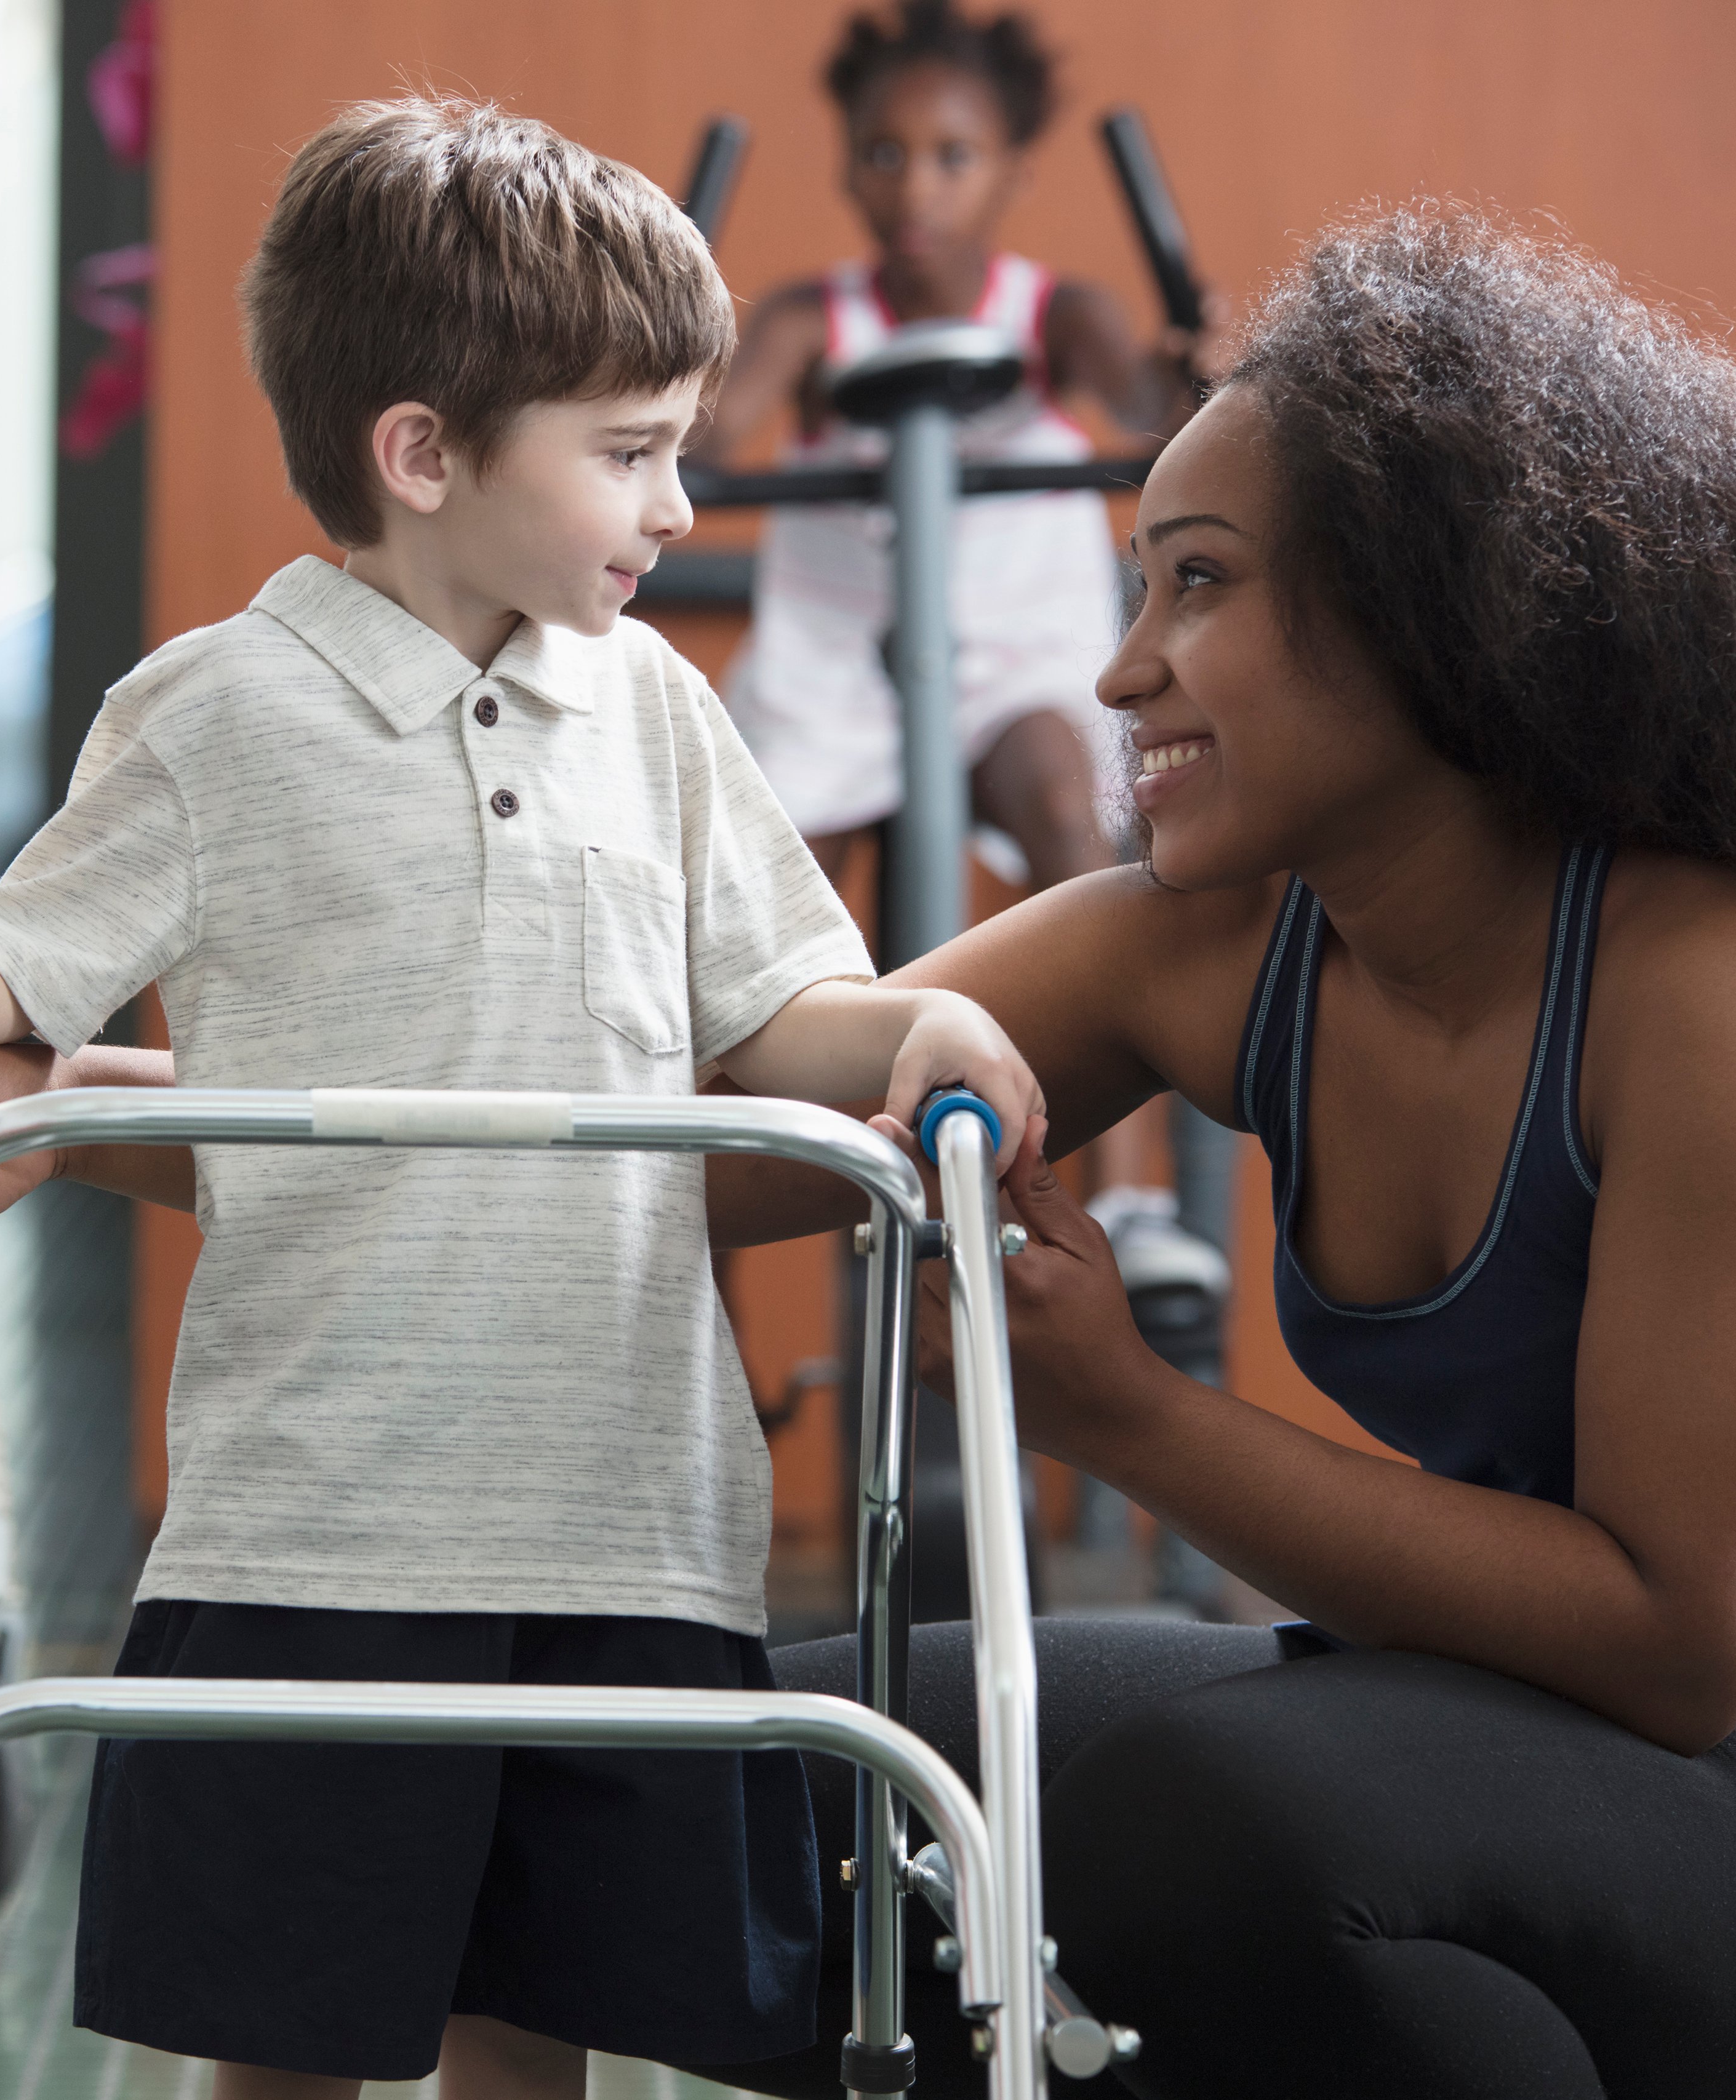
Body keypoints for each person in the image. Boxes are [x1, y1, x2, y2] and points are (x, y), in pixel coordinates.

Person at [0, 206, 1736, 2095]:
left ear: (1440, 612)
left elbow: (1677, 1638)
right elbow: (660, 1152)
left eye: (1198, 583)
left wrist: (1132, 1416)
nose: (1119, 665)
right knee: (683, 1780)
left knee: (1209, 1828)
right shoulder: (1207, 948)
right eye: (1137, 583)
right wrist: (93, 1116)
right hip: (1429, 1714)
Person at [0, 98, 1039, 2100]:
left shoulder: (657, 710)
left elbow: (785, 1005)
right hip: (316, 1531)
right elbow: (18, 953)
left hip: (628, 1526)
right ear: (425, 454)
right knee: (281, 2044)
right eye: (629, 452)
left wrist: (915, 1034)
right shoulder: (216, 710)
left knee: (536, 2038)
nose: (678, 504)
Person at [698, 1, 1231, 1572]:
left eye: (950, 156)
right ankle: (702, 1249)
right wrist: (669, 362)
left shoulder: (1051, 310)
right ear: (848, 169)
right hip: (838, 656)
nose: (914, 187)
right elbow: (723, 423)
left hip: (1000, 650)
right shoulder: (814, 315)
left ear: (1006, 171)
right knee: (747, 931)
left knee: (1065, 797)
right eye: (884, 155)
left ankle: (1126, 1204)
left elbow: (1136, 400)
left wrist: (1186, 380)